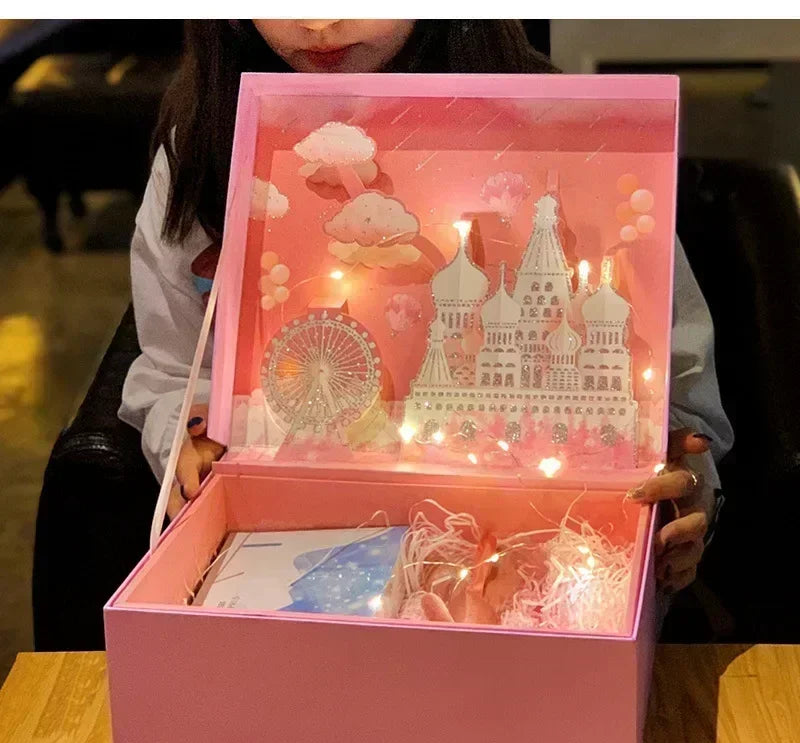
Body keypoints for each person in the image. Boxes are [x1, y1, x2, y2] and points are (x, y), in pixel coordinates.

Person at [119, 19, 733, 595]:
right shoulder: (210, 143)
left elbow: (677, 397)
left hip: (551, 557)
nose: (318, 22)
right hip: (302, 541)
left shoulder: (575, 132)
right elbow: (173, 368)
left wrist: (679, 479)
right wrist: (190, 438)